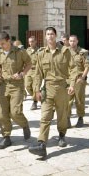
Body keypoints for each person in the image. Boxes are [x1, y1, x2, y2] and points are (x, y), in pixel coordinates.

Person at [28, 27, 71, 158]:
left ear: (56, 36)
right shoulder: (41, 53)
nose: (50, 36)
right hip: (47, 88)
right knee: (45, 117)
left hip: (62, 88)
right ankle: (41, 144)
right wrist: (36, 90)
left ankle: (62, 135)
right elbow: (38, 74)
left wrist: (72, 84)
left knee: (61, 115)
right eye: (47, 34)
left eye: (52, 34)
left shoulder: (65, 51)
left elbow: (73, 69)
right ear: (45, 37)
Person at [0, 32, 32, 149]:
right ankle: (6, 137)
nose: (1, 46)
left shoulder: (20, 52)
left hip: (16, 85)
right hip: (3, 85)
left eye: (3, 44)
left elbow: (29, 63)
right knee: (1, 114)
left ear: (8, 41)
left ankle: (24, 125)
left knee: (15, 112)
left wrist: (22, 73)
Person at [66, 35, 89, 128]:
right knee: (67, 101)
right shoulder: (65, 52)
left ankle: (80, 117)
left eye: (74, 41)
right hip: (68, 80)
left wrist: (83, 78)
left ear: (77, 41)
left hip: (79, 79)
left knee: (79, 100)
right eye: (71, 41)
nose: (72, 43)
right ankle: (67, 118)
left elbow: (87, 66)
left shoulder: (83, 52)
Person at [25, 36, 39, 110]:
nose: (31, 43)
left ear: (35, 41)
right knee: (27, 86)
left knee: (35, 87)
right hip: (28, 71)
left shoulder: (39, 51)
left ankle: (34, 102)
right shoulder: (27, 51)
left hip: (36, 71)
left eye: (32, 41)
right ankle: (36, 96)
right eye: (29, 42)